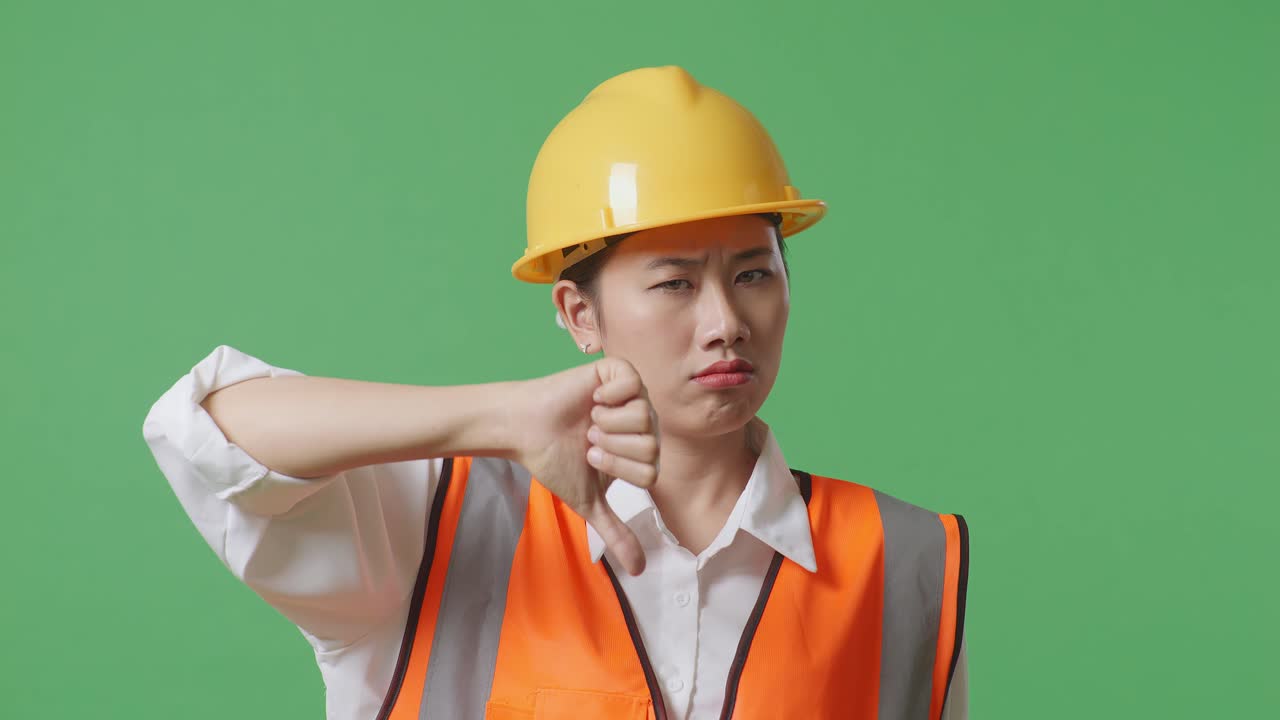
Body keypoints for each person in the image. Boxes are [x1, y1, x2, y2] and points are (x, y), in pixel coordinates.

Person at [143, 65, 968, 720]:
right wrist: (503, 416)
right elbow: (206, 428)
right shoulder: (431, 528)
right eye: (675, 284)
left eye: (754, 274)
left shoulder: (907, 561)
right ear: (579, 314)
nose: (726, 323)